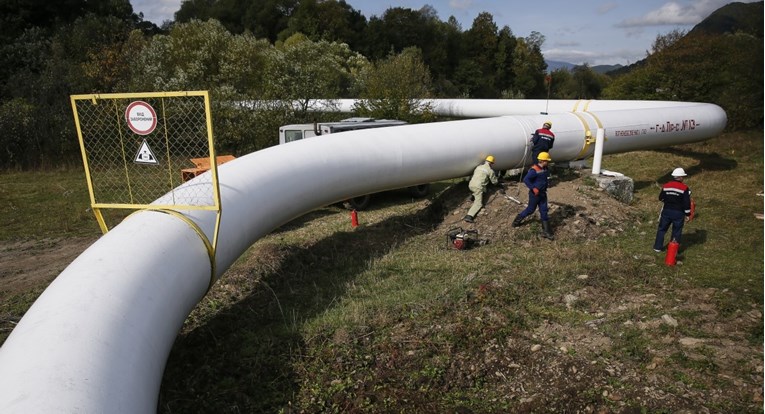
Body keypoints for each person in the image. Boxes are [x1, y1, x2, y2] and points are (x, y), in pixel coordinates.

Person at [512, 152, 554, 240]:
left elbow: (545, 177)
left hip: (543, 193)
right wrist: (533, 188)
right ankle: (517, 221)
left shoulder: (545, 168)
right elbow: (526, 180)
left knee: (544, 211)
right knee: (530, 210)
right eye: (547, 161)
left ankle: (546, 232)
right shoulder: (534, 170)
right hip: (535, 195)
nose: (548, 162)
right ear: (542, 161)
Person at [653, 167, 692, 252]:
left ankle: (657, 247)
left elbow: (661, 198)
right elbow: (686, 203)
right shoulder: (684, 188)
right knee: (676, 231)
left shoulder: (666, 185)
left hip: (666, 211)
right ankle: (672, 250)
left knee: (662, 229)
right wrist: (688, 214)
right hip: (678, 213)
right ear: (681, 177)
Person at [464, 155, 500, 223]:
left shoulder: (478, 167)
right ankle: (469, 216)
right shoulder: (490, 171)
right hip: (478, 187)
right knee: (478, 204)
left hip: (471, 185)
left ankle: (473, 196)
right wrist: (498, 183)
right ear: (491, 163)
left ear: (486, 161)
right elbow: (494, 182)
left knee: (480, 190)